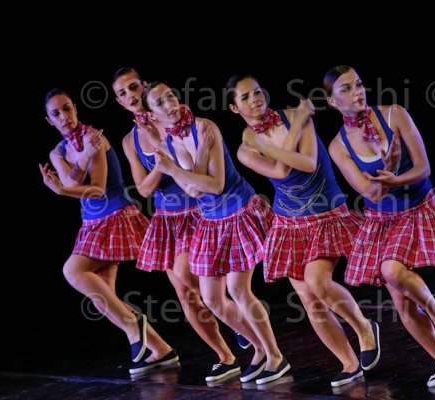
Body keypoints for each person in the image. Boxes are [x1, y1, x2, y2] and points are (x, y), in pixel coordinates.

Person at [323, 65, 435, 387]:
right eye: (346, 89)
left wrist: (396, 175)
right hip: (382, 219)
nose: (357, 92)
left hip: (418, 206)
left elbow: (424, 168)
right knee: (401, 303)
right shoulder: (338, 146)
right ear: (331, 101)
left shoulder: (394, 114)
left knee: (391, 270)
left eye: (359, 84)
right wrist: (387, 170)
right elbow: (370, 192)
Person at [226, 74, 381, 388]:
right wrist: (292, 126)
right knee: (310, 300)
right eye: (245, 97)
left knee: (317, 281)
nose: (255, 98)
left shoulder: (295, 116)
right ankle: (349, 363)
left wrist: (296, 123)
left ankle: (364, 327)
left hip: (326, 213)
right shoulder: (246, 149)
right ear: (234, 108)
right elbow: (281, 170)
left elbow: (308, 162)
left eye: (257, 91)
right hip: (290, 224)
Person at [140, 81, 289, 384]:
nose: (169, 103)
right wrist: (183, 171)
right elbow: (194, 191)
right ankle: (260, 348)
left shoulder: (205, 128)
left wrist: (174, 170)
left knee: (239, 289)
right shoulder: (166, 146)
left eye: (170, 96)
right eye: (160, 102)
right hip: (211, 221)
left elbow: (216, 185)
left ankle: (276, 356)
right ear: (152, 114)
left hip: (238, 211)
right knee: (211, 297)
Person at [111, 68, 250, 379]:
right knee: (185, 294)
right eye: (122, 93)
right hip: (167, 219)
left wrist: (166, 157)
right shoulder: (130, 140)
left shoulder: (172, 118)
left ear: (143, 86)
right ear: (119, 102)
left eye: (133, 87)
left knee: (188, 275)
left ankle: (237, 321)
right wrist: (161, 166)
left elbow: (194, 166)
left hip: (197, 210)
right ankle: (226, 356)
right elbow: (143, 189)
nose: (130, 95)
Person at [38, 89, 178, 375]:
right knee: (104, 298)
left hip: (115, 216)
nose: (64, 117)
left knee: (73, 271)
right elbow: (72, 181)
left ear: (75, 108)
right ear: (49, 120)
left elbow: (97, 189)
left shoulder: (95, 138)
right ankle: (161, 349)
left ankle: (134, 326)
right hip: (91, 224)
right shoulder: (57, 152)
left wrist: (63, 189)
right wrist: (80, 162)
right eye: (56, 114)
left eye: (67, 109)